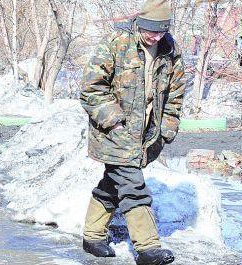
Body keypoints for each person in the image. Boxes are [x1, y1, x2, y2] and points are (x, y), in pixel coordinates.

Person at [79, 0, 186, 264]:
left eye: (161, 31)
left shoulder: (170, 50)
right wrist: (114, 121)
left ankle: (92, 237)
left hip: (146, 136)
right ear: (139, 23)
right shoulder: (116, 43)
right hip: (113, 133)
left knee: (113, 184)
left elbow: (175, 93)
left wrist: (168, 127)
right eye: (151, 30)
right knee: (133, 187)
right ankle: (148, 249)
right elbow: (91, 88)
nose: (155, 37)